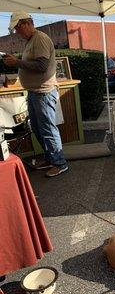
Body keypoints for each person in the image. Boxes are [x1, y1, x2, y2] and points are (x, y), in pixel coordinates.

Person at [4, 11, 68, 177]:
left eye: (18, 28)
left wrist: (17, 62)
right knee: (39, 129)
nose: (17, 32)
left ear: (26, 23)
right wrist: (17, 60)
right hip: (36, 91)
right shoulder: (32, 40)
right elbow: (34, 63)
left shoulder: (39, 39)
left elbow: (41, 66)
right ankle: (51, 158)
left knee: (47, 129)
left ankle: (59, 163)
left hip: (43, 92)